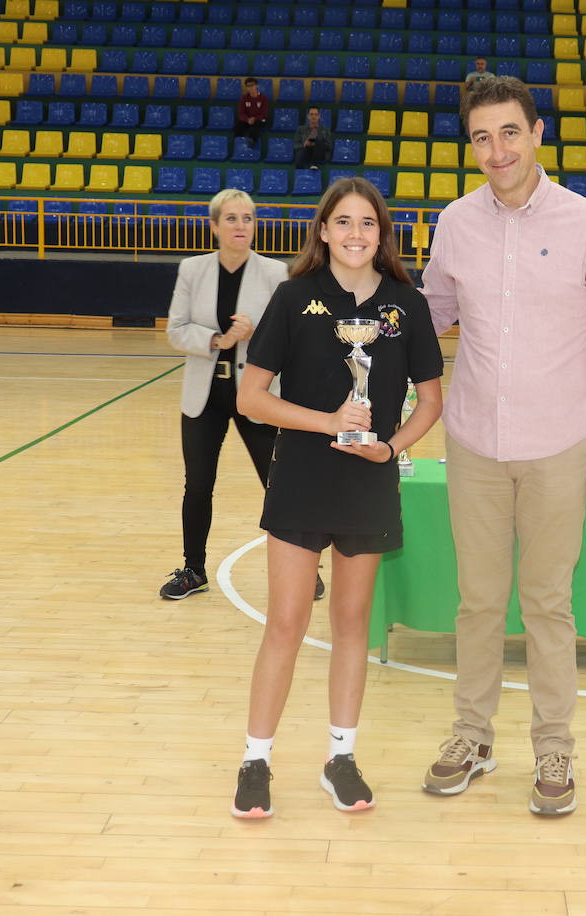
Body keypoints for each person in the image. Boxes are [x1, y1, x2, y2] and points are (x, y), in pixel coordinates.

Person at [419, 75, 586, 817]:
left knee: (547, 604)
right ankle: (472, 736)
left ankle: (554, 747)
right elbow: (431, 316)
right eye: (482, 137)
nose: (496, 150)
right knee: (478, 603)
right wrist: (362, 318)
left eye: (509, 132)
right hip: (476, 441)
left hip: (558, 446)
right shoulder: (455, 223)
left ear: (537, 133)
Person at [230, 177, 445, 818]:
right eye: (343, 222)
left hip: (368, 482)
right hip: (300, 477)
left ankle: (340, 757)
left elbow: (430, 399)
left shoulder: (408, 304)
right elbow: (251, 396)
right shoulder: (294, 298)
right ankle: (256, 759)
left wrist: (392, 447)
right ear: (322, 231)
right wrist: (329, 422)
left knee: (352, 625)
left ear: (383, 234)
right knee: (287, 624)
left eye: (368, 224)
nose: (356, 234)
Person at [161, 188, 289, 601]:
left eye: (248, 218)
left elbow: (290, 338)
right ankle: (193, 569)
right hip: (205, 396)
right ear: (214, 225)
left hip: (257, 395)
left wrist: (257, 332)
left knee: (279, 484)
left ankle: (301, 569)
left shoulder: (275, 274)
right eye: (231, 219)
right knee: (197, 485)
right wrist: (219, 338)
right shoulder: (192, 270)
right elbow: (175, 330)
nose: (240, 226)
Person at [293, 106, 333, 171]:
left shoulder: (326, 130)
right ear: (308, 116)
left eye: (316, 114)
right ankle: (299, 171)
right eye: (311, 114)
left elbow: (330, 146)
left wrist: (318, 144)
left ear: (319, 116)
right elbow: (295, 145)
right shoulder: (300, 129)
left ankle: (314, 164)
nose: (313, 116)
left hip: (320, 154)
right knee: (300, 152)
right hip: (305, 152)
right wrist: (304, 144)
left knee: (318, 140)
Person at [234, 77, 268, 145]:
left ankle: (252, 141)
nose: (251, 87)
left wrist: (254, 118)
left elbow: (264, 114)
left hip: (259, 120)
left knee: (255, 127)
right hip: (248, 120)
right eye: (248, 86)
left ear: (256, 85)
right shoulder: (244, 97)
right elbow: (241, 113)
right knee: (238, 126)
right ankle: (238, 142)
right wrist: (247, 119)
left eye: (252, 85)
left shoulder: (263, 98)